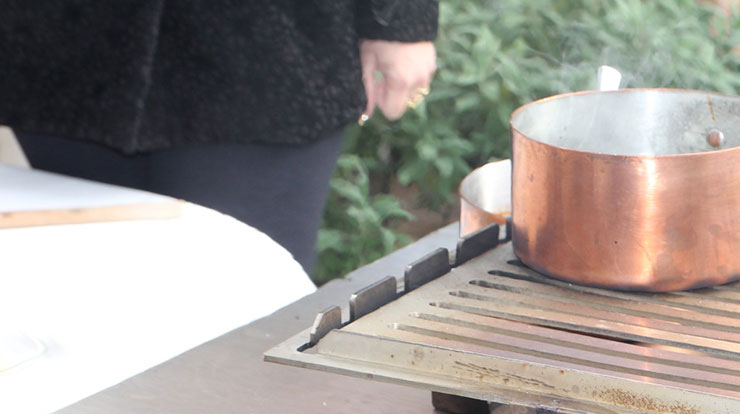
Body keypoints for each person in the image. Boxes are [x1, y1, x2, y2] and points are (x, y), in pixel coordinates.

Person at [0, 0, 439, 275]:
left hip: (267, 54)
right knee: (78, 305)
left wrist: (402, 15)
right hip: (63, 45)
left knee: (245, 312)